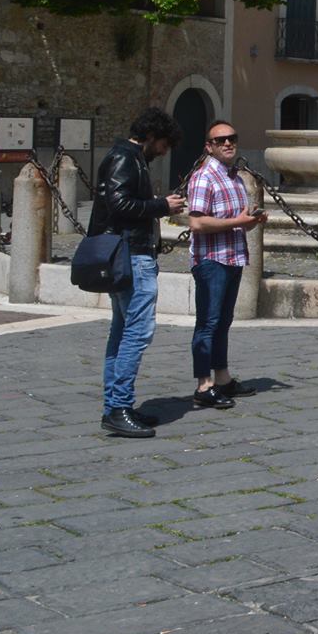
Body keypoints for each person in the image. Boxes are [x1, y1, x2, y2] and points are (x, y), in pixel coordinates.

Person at [89, 107, 185, 438]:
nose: (164, 151)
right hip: (131, 255)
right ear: (151, 136)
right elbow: (119, 204)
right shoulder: (125, 158)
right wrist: (162, 206)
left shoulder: (129, 157)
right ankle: (119, 407)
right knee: (138, 331)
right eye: (163, 144)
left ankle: (115, 407)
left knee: (122, 330)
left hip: (129, 254)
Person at [185, 121, 266, 410]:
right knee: (207, 323)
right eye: (220, 141)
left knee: (223, 322)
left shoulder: (233, 178)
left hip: (232, 256)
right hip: (211, 260)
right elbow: (196, 222)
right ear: (209, 146)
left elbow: (235, 219)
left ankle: (222, 378)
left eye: (232, 138)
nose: (228, 144)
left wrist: (250, 221)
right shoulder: (204, 177)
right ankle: (203, 385)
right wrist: (238, 223)